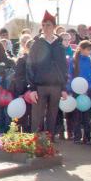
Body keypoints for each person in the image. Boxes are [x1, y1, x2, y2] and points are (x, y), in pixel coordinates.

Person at [27, 11, 69, 139]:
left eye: (49, 25)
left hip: (56, 86)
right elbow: (30, 66)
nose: (46, 28)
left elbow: (64, 68)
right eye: (43, 25)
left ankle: (49, 143)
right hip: (40, 86)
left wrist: (63, 88)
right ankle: (35, 142)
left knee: (52, 115)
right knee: (37, 117)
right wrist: (32, 88)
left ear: (54, 27)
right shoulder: (37, 44)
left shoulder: (60, 45)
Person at [68, 40, 91, 145]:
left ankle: (87, 137)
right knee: (77, 115)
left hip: (87, 92)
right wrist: (70, 89)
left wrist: (89, 87)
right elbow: (69, 76)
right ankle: (77, 136)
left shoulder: (90, 60)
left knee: (87, 115)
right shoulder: (73, 60)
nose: (89, 52)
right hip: (76, 92)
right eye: (88, 50)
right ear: (82, 49)